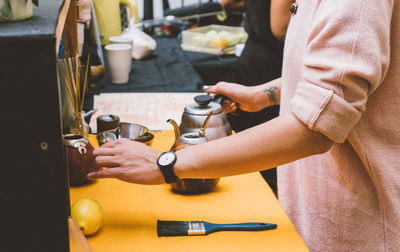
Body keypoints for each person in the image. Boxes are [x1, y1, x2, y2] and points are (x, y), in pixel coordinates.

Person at [88, 0, 400, 250]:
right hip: (322, 221)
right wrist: (265, 95)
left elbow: (314, 130)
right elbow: (337, 78)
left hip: (362, 231)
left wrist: (166, 163)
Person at [194, 0, 292, 196]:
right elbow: (280, 28)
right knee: (269, 166)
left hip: (253, 61)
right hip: (273, 68)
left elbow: (230, 2)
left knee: (254, 166)